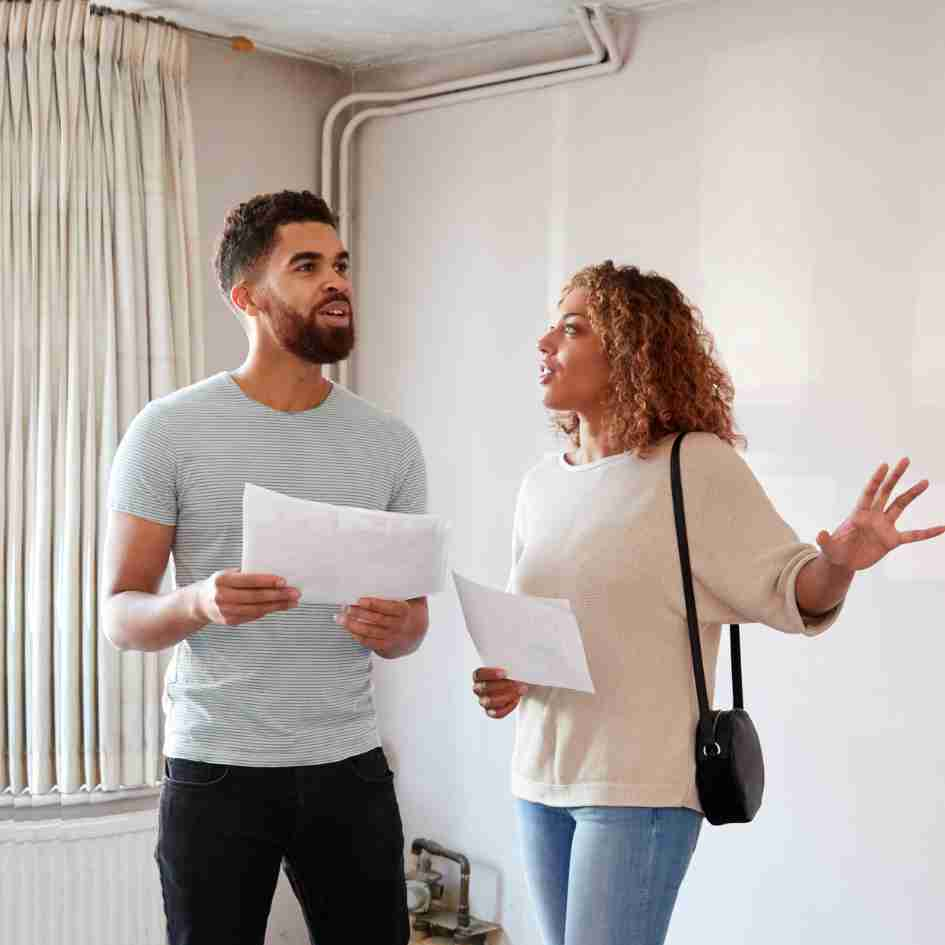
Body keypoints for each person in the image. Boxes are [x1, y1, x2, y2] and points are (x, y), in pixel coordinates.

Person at [471, 260, 944, 945]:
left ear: (631, 352)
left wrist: (837, 561)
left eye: (571, 329)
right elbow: (543, 631)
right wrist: (506, 678)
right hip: (538, 782)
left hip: (637, 791)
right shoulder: (541, 485)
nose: (545, 343)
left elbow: (790, 589)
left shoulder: (691, 464)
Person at [102, 190, 426, 945]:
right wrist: (199, 603)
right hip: (216, 769)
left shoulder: (389, 444)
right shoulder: (167, 431)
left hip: (350, 766)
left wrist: (395, 625)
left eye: (339, 264)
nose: (336, 281)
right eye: (307, 265)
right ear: (246, 297)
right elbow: (118, 614)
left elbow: (412, 625)